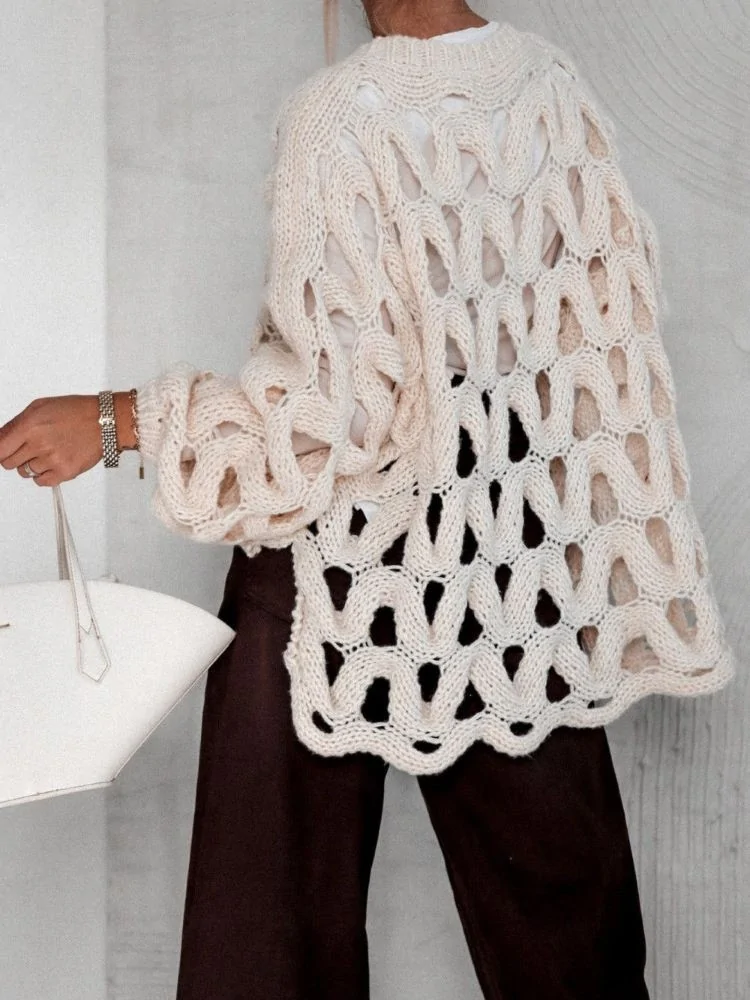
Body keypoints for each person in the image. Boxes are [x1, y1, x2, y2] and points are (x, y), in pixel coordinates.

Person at [0, 1, 737, 997]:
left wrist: (112, 420)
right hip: (505, 540)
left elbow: (336, 412)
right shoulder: (552, 89)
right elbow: (583, 364)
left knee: (264, 948)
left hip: (333, 565)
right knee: (569, 940)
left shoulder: (341, 115)